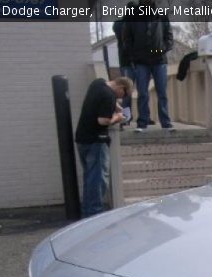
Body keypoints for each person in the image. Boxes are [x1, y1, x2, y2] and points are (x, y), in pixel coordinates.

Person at [74, 76, 133, 217]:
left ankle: (87, 212)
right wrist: (118, 118)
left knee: (89, 178)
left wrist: (117, 107)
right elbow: (102, 120)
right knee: (97, 181)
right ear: (121, 87)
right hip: (96, 141)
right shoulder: (108, 96)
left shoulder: (98, 83)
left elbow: (102, 101)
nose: (121, 98)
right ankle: (94, 214)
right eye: (123, 95)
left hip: (82, 139)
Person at [124, 0, 174, 131]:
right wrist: (133, 56)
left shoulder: (161, 14)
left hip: (159, 61)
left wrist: (160, 50)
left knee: (162, 93)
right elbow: (127, 38)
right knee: (142, 93)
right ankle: (142, 123)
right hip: (141, 62)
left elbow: (169, 37)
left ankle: (166, 123)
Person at [112, 0, 138, 126]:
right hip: (127, 61)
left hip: (135, 61)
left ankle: (128, 117)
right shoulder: (121, 24)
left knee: (138, 91)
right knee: (126, 92)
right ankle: (126, 117)